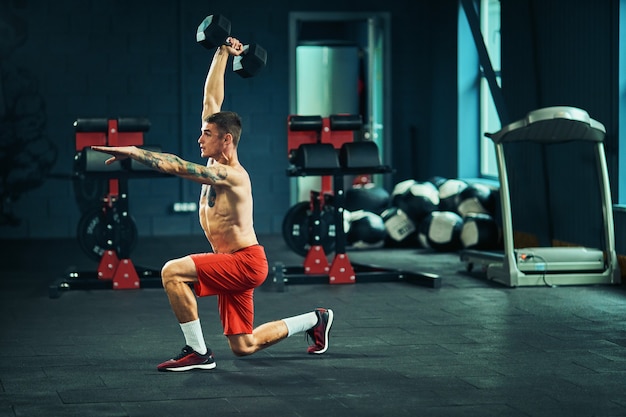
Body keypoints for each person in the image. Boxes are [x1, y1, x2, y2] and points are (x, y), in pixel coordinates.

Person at [91, 37, 333, 372]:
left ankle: (197, 352)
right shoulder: (214, 163)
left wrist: (134, 152)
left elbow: (176, 165)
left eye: (206, 133)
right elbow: (211, 98)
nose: (199, 138)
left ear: (226, 139)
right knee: (244, 346)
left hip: (245, 262)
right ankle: (315, 320)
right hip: (232, 262)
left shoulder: (232, 176)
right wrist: (223, 52)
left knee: (172, 272)